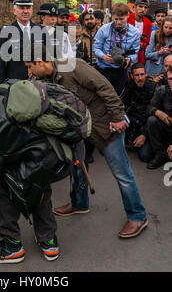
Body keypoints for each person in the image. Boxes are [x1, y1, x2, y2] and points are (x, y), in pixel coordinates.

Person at [25, 46, 148, 239]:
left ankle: (138, 216)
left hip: (105, 125)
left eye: (30, 67)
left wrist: (117, 117)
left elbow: (104, 87)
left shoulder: (73, 66)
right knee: (78, 166)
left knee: (122, 173)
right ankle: (79, 203)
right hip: (83, 129)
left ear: (40, 61)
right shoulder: (45, 79)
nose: (29, 72)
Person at [0, 82, 84, 263]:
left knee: (5, 185)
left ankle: (12, 246)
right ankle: (49, 242)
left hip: (42, 160)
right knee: (38, 189)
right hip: (54, 154)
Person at [0, 0, 43, 87]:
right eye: (21, 8)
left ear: (32, 10)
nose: (25, 11)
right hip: (15, 86)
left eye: (28, 7)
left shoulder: (41, 30)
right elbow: (0, 64)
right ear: (14, 11)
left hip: (38, 85)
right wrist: (0, 90)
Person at [93, 2, 141, 98]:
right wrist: (104, 56)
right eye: (116, 19)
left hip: (120, 71)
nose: (118, 22)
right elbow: (96, 48)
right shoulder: (104, 29)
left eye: (121, 19)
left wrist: (129, 59)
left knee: (119, 99)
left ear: (127, 15)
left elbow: (135, 53)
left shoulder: (135, 33)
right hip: (103, 70)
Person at [123, 63, 156, 162]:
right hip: (132, 121)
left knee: (144, 156)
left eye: (142, 74)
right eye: (137, 75)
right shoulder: (129, 85)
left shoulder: (153, 88)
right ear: (132, 76)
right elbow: (123, 105)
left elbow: (154, 116)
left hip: (147, 124)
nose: (140, 78)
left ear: (146, 74)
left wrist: (144, 135)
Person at [146, 67, 172, 169]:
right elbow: (149, 108)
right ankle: (160, 154)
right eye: (170, 79)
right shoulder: (162, 90)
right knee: (152, 120)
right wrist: (157, 112)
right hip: (167, 129)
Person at [127, 0, 152, 64]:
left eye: (145, 7)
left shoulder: (148, 23)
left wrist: (141, 44)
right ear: (135, 7)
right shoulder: (127, 18)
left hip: (139, 55)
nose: (143, 9)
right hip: (126, 53)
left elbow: (146, 42)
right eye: (140, 6)